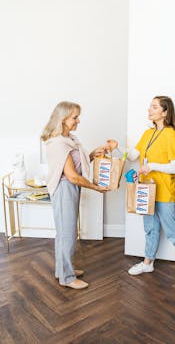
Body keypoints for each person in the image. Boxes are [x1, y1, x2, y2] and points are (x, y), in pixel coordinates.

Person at [111, 96, 175, 283]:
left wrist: (152, 167)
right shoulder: (148, 133)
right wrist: (118, 148)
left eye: (154, 107)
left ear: (165, 112)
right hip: (146, 190)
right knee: (150, 228)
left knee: (172, 229)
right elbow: (133, 155)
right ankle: (148, 262)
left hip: (164, 191)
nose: (149, 109)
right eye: (150, 106)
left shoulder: (171, 135)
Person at [41, 101, 108, 290]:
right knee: (67, 234)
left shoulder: (69, 139)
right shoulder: (57, 143)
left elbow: (78, 163)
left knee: (65, 233)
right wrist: (96, 187)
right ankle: (67, 277)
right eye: (74, 117)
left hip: (70, 188)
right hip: (64, 189)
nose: (78, 121)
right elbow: (72, 175)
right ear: (62, 119)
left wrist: (93, 154)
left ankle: (61, 270)